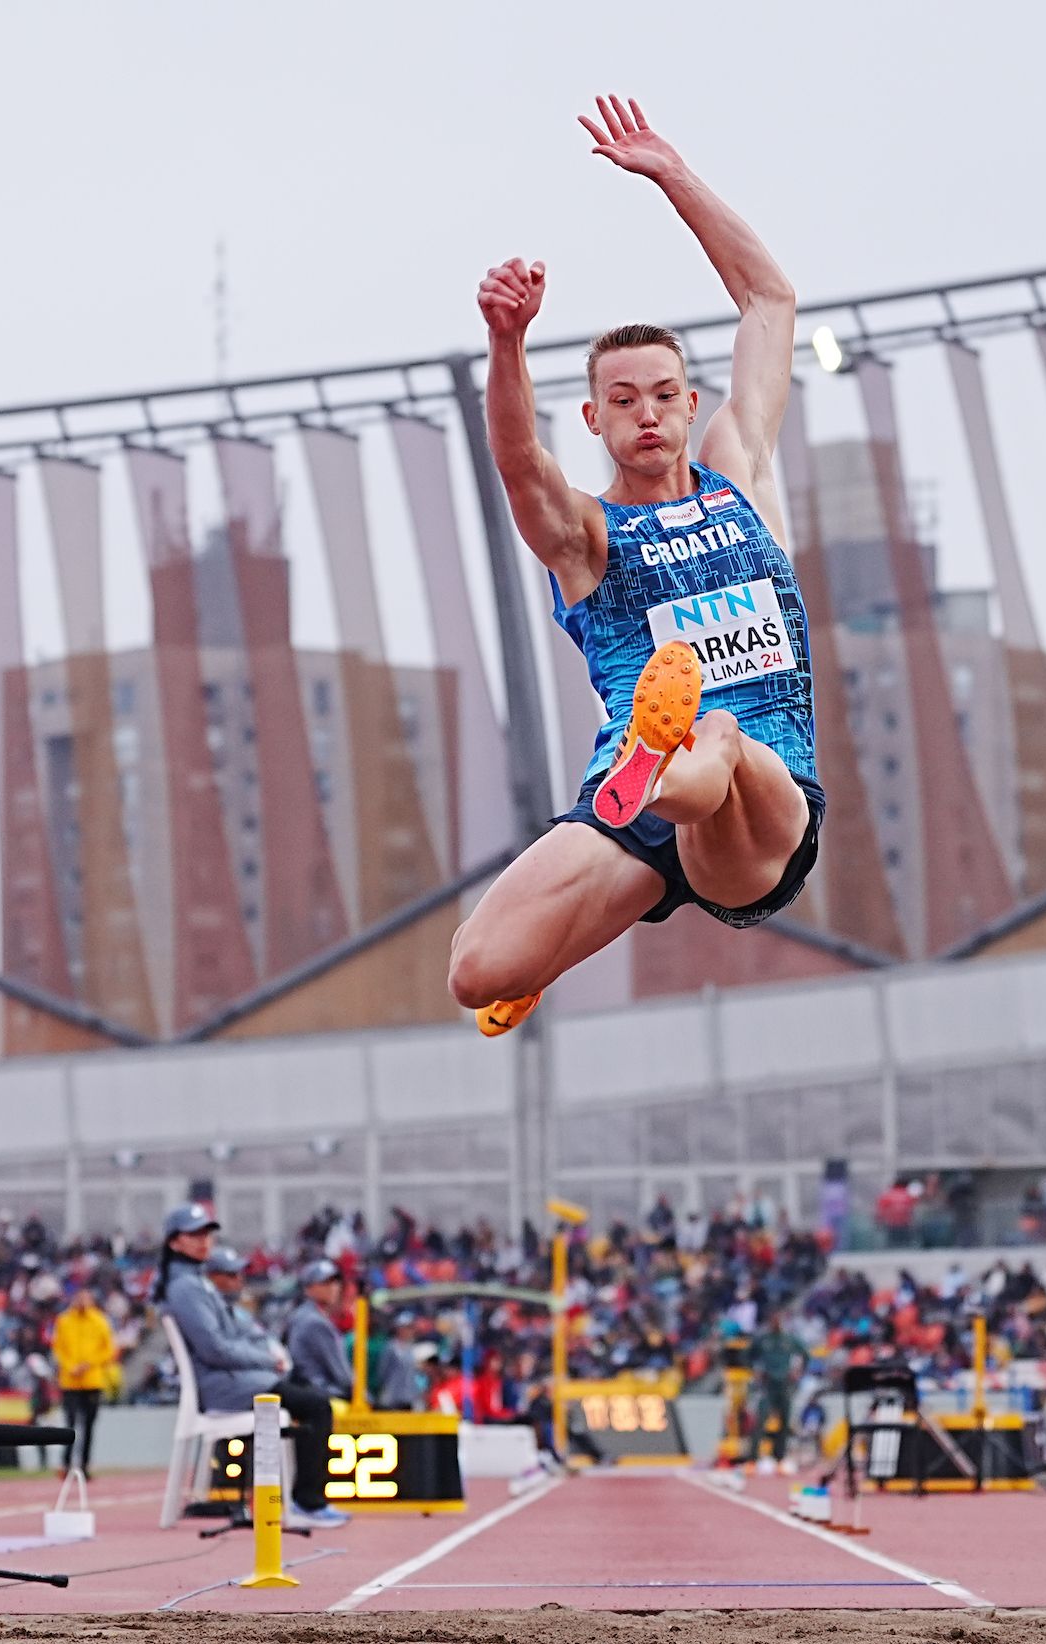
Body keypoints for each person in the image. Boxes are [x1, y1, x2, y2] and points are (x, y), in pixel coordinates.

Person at [448, 94, 819, 1037]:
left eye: (663, 395)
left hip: (759, 808)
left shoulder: (741, 476)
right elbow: (517, 463)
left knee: (721, 738)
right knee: (474, 972)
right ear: (595, 420)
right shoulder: (588, 537)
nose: (646, 413)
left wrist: (672, 177)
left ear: (691, 403)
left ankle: (678, 751)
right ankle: (647, 772)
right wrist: (506, 341)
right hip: (638, 818)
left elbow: (769, 300)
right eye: (623, 400)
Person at [152, 1204, 347, 1530]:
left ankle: (301, 1499)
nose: (204, 1241)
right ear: (174, 1242)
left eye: (206, 1234)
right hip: (224, 1385)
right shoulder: (187, 1287)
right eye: (194, 1235)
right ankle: (308, 1502)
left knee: (309, 1399)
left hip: (232, 1379)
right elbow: (215, 1349)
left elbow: (231, 1340)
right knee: (316, 1405)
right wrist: (268, 1361)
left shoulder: (194, 1282)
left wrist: (266, 1360)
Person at [50, 1284, 116, 1478]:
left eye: (85, 1297)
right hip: (70, 1381)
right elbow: (58, 1348)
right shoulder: (64, 1320)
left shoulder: (100, 1321)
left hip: (92, 1380)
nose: (81, 1301)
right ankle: (66, 1463)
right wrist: (71, 1366)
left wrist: (88, 1364)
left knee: (89, 1425)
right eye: (78, 1297)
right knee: (69, 1424)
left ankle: (85, 1465)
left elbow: (108, 1349)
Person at [285, 1261, 355, 1403]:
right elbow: (343, 1377)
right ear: (308, 1289)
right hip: (321, 1394)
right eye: (325, 1283)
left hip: (308, 1391)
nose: (333, 1287)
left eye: (335, 1282)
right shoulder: (315, 1322)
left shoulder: (301, 1314)